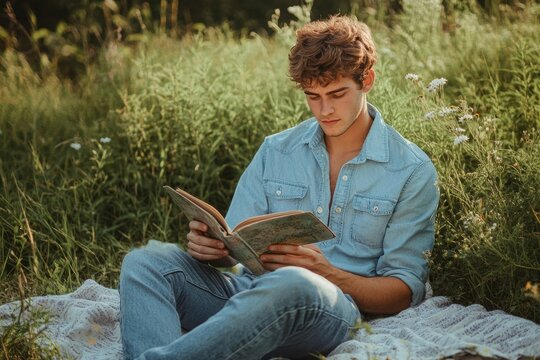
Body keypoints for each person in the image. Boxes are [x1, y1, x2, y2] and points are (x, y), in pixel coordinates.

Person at [119, 15, 439, 360]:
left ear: (367, 81)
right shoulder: (277, 150)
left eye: (337, 94)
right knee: (146, 262)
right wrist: (213, 247)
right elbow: (236, 246)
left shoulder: (411, 170)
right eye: (312, 96)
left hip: (331, 309)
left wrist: (327, 273)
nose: (325, 110)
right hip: (248, 293)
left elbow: (404, 292)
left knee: (292, 283)